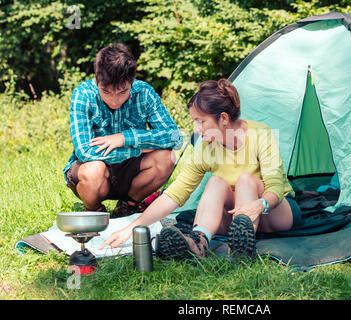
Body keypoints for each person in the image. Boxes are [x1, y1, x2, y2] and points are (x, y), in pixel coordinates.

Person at [100, 78, 302, 258]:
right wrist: (132, 227)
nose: (196, 129)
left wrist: (259, 205)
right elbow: (175, 194)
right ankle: (199, 242)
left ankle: (241, 249)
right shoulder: (206, 146)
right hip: (235, 215)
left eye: (201, 122)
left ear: (223, 118)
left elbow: (275, 187)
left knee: (245, 180)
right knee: (215, 182)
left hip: (273, 212)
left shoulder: (260, 134)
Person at [63, 44, 182, 217]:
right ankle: (94, 210)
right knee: (92, 170)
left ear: (132, 81)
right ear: (96, 80)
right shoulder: (83, 94)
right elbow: (84, 152)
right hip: (95, 171)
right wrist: (139, 149)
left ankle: (128, 206)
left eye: (122, 91)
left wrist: (125, 138)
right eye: (106, 91)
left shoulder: (145, 93)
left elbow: (175, 137)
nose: (115, 99)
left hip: (131, 172)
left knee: (167, 157)